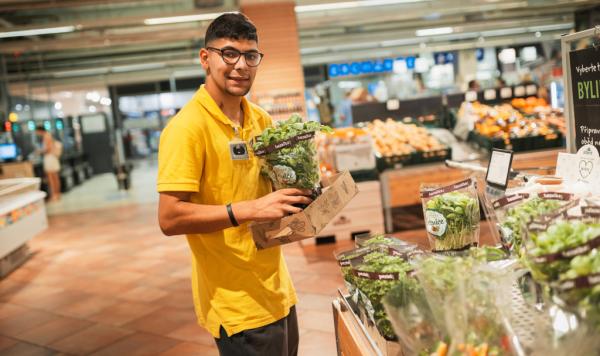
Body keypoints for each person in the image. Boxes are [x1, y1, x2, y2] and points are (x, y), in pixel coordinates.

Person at [157, 13, 311, 356]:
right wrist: (248, 209)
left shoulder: (261, 119)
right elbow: (169, 218)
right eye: (229, 53)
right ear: (205, 58)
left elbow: (271, 193)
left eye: (250, 56)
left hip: (277, 288)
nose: (241, 65)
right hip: (236, 303)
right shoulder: (187, 128)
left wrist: (307, 193)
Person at [35, 125, 61, 201]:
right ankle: (57, 194)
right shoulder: (48, 135)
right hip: (52, 158)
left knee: (51, 178)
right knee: (55, 177)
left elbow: (48, 149)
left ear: (40, 130)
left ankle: (54, 195)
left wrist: (39, 151)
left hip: (50, 158)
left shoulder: (46, 136)